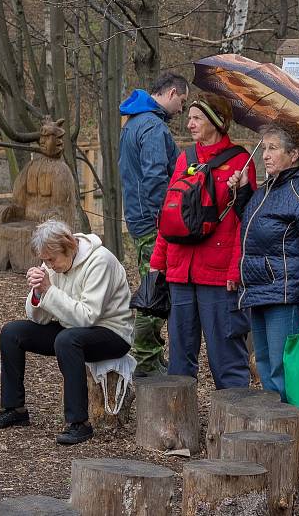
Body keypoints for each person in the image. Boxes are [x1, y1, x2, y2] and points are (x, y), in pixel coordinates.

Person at [228, 120, 299, 445]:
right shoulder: (270, 188)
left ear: (294, 154)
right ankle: (276, 442)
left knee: (285, 373)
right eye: (265, 147)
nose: (266, 155)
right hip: (259, 291)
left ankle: (294, 446)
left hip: (286, 295)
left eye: (273, 148)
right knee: (266, 368)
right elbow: (255, 227)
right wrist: (244, 190)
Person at [0, 220, 133, 445]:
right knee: (12, 332)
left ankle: (79, 423)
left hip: (112, 332)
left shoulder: (100, 260)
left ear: (70, 246)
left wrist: (49, 291)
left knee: (66, 340)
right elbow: (39, 318)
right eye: (44, 260)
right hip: (72, 328)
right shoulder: (52, 262)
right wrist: (36, 293)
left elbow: (87, 316)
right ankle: (15, 409)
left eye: (51, 260)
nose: (48, 265)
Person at [149, 93, 256, 388]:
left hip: (219, 275)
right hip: (180, 272)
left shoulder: (240, 161)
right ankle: (175, 429)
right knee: (180, 359)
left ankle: (235, 427)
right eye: (190, 116)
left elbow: (243, 224)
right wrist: (158, 263)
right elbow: (169, 214)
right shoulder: (186, 158)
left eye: (197, 118)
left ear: (216, 122)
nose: (190, 122)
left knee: (226, 357)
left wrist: (236, 271)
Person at [118, 71, 189, 376]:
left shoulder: (134, 122)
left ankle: (151, 354)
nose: (183, 110)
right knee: (154, 289)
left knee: (153, 284)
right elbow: (156, 177)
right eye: (183, 102)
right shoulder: (152, 127)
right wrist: (167, 219)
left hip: (139, 217)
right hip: (153, 223)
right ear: (172, 93)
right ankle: (146, 359)